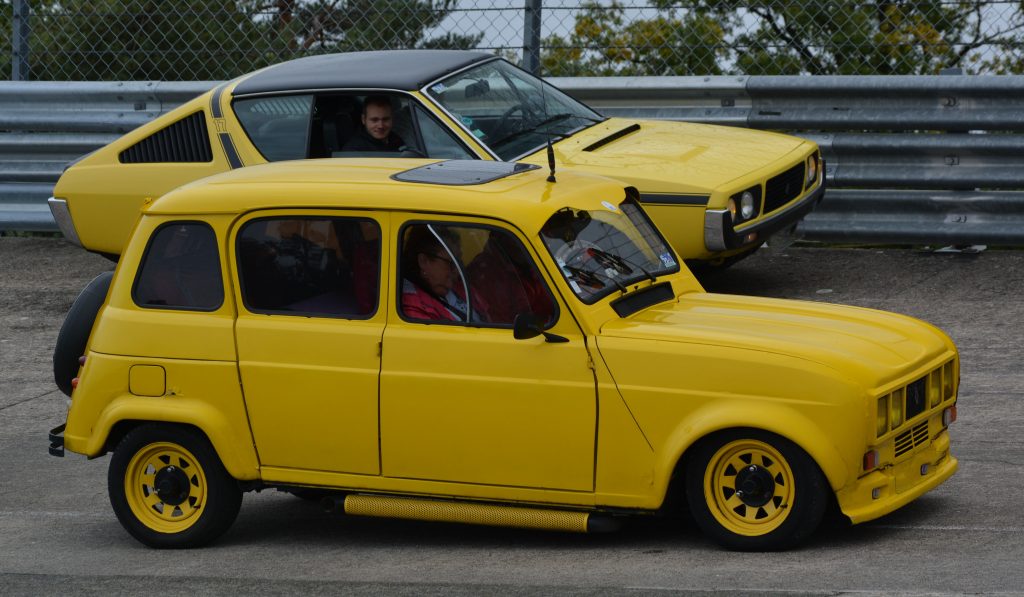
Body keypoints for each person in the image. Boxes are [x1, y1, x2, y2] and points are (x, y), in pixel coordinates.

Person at [401, 225, 486, 322]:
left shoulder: (460, 289)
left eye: (459, 263)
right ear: (423, 261)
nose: (457, 271)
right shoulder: (412, 310)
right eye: (451, 263)